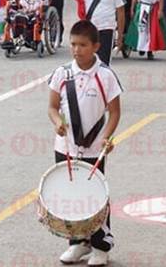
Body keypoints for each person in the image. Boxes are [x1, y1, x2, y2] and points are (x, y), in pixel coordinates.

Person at [48, 19, 122, 267]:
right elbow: (51, 106)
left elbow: (114, 112)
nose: (76, 50)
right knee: (71, 195)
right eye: (73, 44)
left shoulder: (105, 76)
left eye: (82, 45)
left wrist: (107, 137)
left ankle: (101, 245)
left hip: (93, 148)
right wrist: (57, 121)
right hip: (65, 146)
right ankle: (77, 243)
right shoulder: (62, 73)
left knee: (95, 196)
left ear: (96, 46)